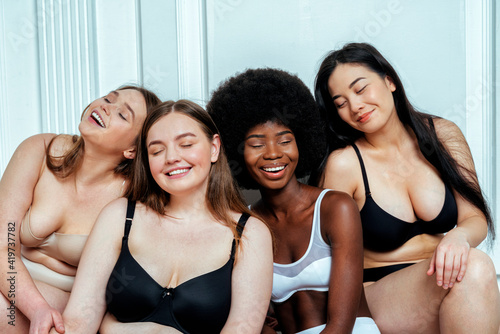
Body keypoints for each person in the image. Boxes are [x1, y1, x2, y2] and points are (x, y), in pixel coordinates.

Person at [314, 42, 500, 333]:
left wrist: (459, 237)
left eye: (360, 89)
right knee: (474, 269)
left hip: (445, 279)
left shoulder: (444, 135)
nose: (355, 106)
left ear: (389, 81)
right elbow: (325, 255)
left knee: (470, 275)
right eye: (340, 102)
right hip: (378, 292)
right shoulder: (344, 164)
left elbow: (474, 218)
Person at [53, 100, 273, 334]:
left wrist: (118, 328)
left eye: (186, 144)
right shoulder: (120, 217)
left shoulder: (250, 234)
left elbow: (242, 329)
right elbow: (78, 320)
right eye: (157, 150)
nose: (171, 158)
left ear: (214, 148)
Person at [207, 68, 380, 334]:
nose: (273, 153)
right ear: (238, 153)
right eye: (256, 144)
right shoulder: (246, 226)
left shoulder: (335, 208)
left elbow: (341, 326)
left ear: (302, 142)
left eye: (285, 140)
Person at [0, 85, 160, 333]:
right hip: (10, 280)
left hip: (68, 302)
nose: (106, 107)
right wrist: (37, 309)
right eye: (108, 98)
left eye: (122, 114)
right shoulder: (39, 150)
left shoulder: (132, 200)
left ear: (132, 150)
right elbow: (3, 244)